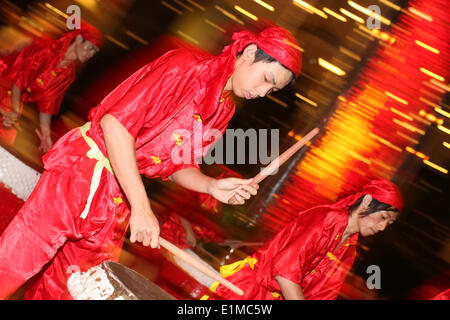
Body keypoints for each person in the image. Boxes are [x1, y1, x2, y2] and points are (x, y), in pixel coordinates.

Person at [0, 26, 302, 299]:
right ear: (249, 54)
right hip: (83, 172)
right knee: (15, 262)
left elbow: (177, 166)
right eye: (266, 79)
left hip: (118, 197)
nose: (263, 92)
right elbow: (115, 126)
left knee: (74, 289)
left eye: (272, 90)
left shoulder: (224, 111)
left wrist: (211, 185)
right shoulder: (185, 67)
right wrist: (142, 208)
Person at [202, 179, 403, 300]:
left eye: (389, 223)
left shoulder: (350, 251)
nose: (383, 227)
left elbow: (322, 295)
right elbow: (285, 273)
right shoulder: (324, 218)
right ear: (367, 201)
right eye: (383, 217)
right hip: (247, 293)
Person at [0, 21, 102, 152]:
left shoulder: (68, 73)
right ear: (78, 39)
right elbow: (18, 81)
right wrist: (13, 110)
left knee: (6, 140)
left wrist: (46, 134)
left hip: (13, 100)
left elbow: (48, 104)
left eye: (95, 51)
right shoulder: (46, 49)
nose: (91, 54)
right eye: (91, 48)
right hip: (3, 81)